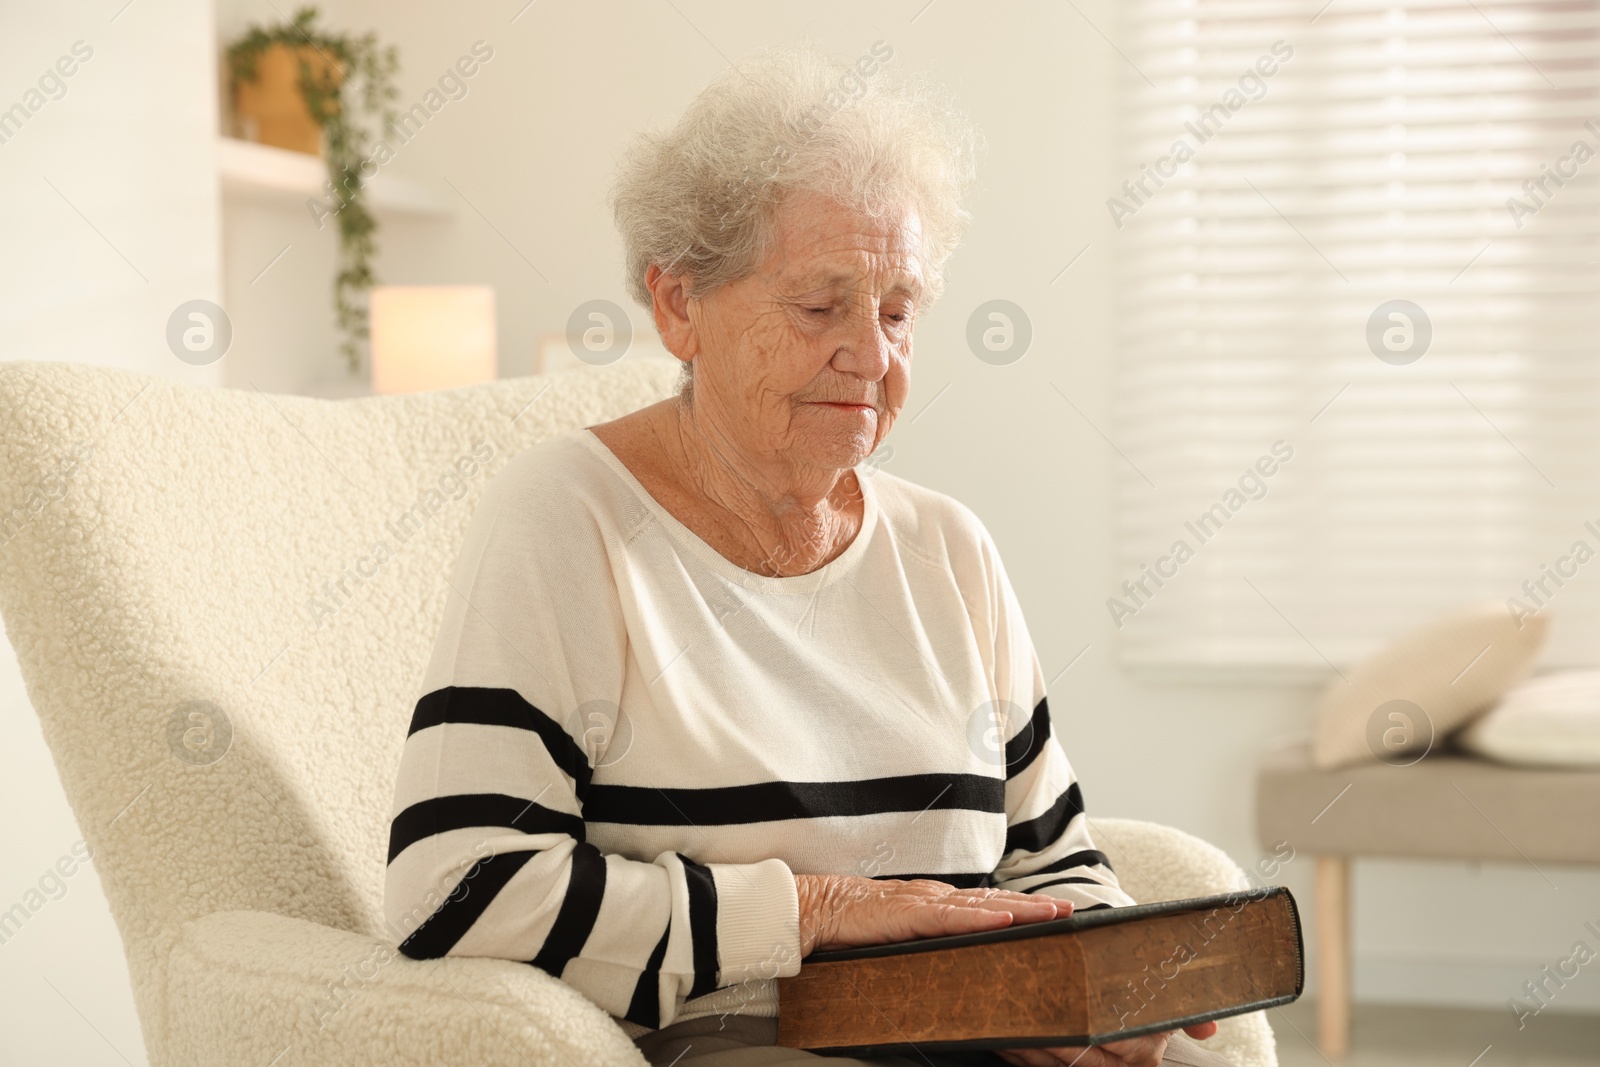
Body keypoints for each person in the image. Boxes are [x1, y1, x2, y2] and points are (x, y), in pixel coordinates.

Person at [383, 42, 1237, 1067]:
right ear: (677, 304)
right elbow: (451, 885)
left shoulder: (948, 548)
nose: (871, 355)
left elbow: (1053, 856)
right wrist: (813, 910)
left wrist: (1081, 988)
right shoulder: (568, 518)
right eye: (820, 305)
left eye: (897, 309)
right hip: (749, 1035)